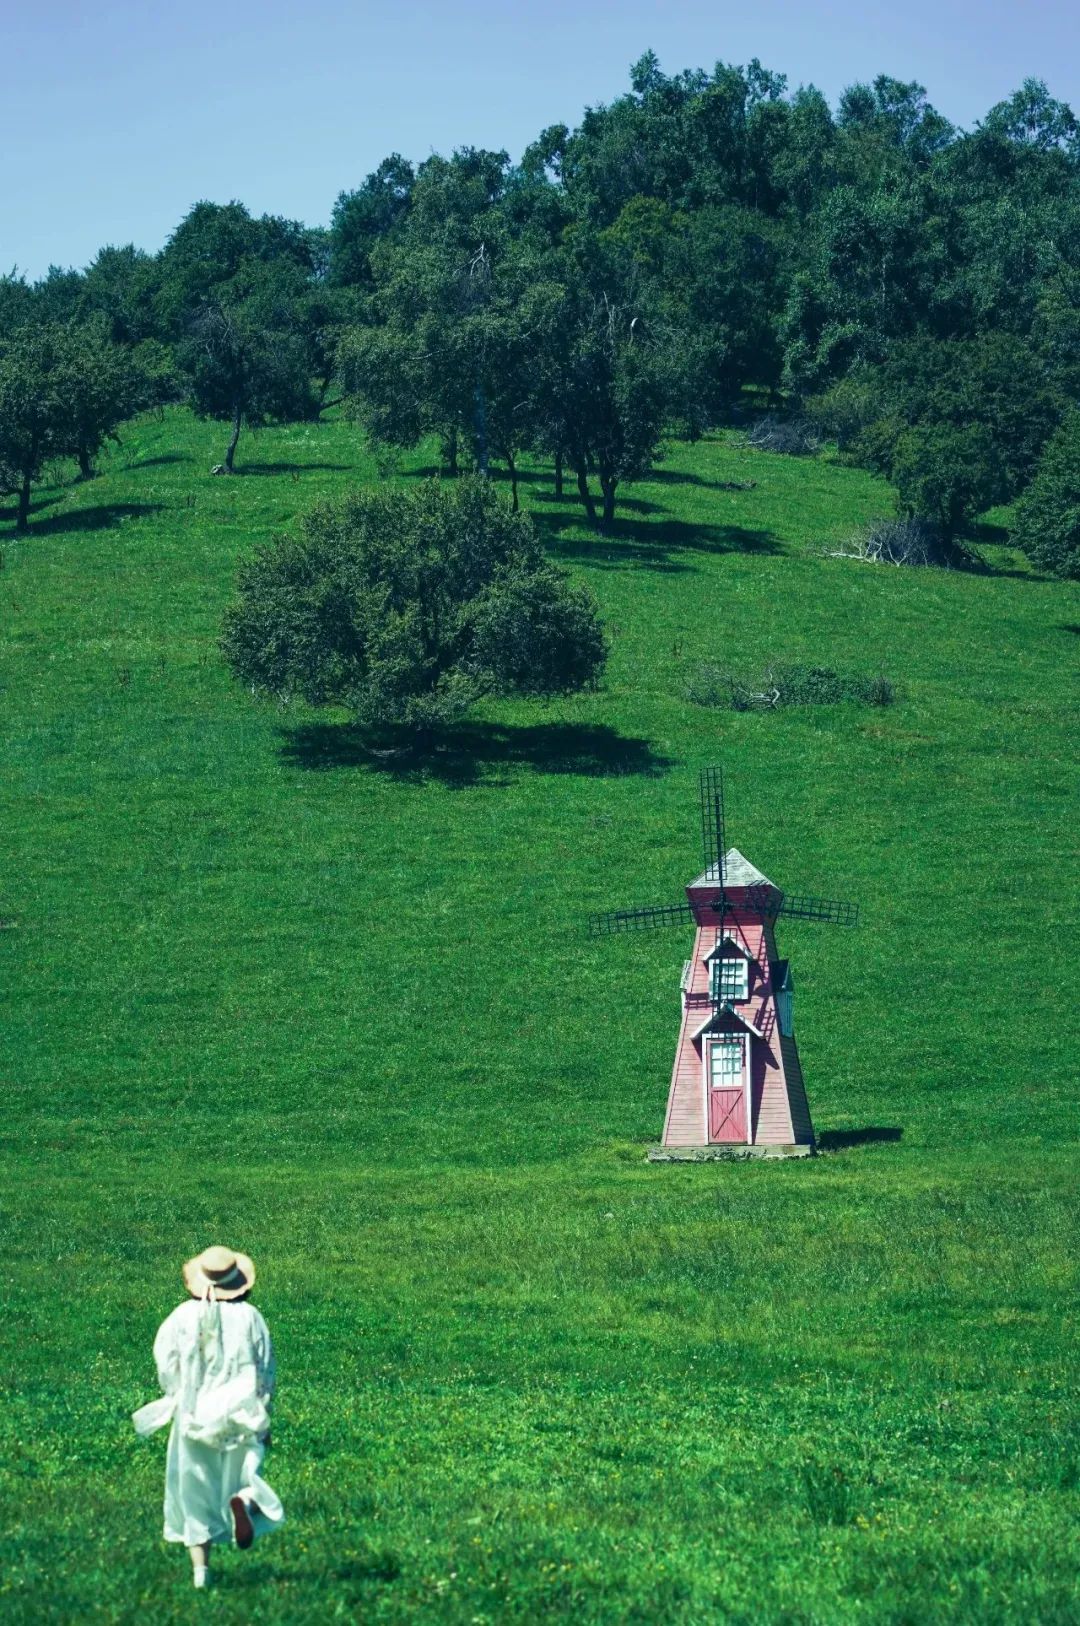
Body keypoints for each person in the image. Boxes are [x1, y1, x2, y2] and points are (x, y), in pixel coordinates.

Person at [133, 1246, 284, 1589]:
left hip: (194, 1417)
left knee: (194, 1493)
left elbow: (166, 1361)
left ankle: (202, 1575)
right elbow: (265, 1368)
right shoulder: (251, 1317)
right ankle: (244, 1501)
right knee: (246, 1476)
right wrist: (266, 1412)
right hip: (242, 1414)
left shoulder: (181, 1317)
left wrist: (177, 1394)